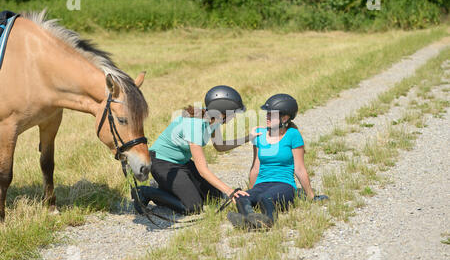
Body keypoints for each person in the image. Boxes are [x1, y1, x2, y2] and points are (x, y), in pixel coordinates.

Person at [133, 85, 261, 215]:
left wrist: (248, 138)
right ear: (223, 111)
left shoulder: (213, 120)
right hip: (162, 163)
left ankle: (167, 187)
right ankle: (145, 192)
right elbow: (203, 170)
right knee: (193, 207)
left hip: (181, 163)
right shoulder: (195, 125)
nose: (233, 117)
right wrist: (230, 191)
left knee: (214, 197)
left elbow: (220, 146)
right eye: (233, 113)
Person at [227, 93, 327, 230]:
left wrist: (311, 195)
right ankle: (249, 219)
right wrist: (251, 191)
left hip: (284, 184)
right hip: (262, 184)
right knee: (241, 197)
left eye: (271, 114)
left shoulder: (293, 135)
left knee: (266, 197)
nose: (267, 117)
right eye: (267, 114)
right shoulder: (259, 135)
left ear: (284, 118)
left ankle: (268, 221)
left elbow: (299, 168)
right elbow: (255, 167)